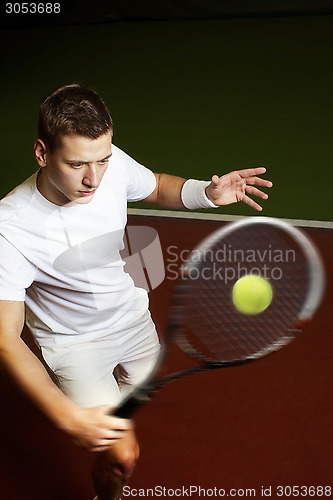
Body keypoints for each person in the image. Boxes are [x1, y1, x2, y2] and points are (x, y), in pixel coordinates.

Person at [0, 84, 272, 500]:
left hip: (131, 318)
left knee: (144, 386)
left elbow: (157, 185)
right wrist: (66, 414)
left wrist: (209, 194)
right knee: (122, 456)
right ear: (41, 153)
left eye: (103, 161)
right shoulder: (12, 226)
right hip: (77, 345)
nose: (94, 179)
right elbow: (5, 336)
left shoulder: (107, 162)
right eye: (76, 164)